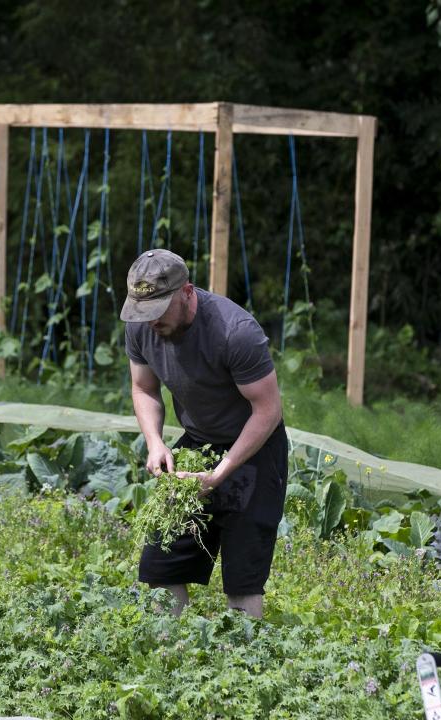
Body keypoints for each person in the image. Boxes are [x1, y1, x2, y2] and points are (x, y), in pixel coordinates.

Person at [121, 248, 287, 619]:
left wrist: (217, 476)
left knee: (243, 577)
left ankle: (245, 660)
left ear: (186, 292)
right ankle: (166, 656)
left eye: (158, 311)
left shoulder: (235, 332)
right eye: (141, 312)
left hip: (254, 448)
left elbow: (267, 410)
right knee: (161, 562)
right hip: (197, 443)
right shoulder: (139, 325)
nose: (150, 322)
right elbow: (144, 388)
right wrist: (155, 442)